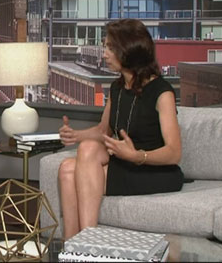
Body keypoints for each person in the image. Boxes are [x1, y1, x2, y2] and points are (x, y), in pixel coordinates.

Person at [58, 19, 184, 240]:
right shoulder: (117, 88)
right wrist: (76, 135)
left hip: (154, 170)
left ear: (129, 50)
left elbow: (174, 152)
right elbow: (102, 131)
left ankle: (88, 244)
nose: (104, 54)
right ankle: (72, 247)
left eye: (110, 48)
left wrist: (136, 156)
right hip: (125, 162)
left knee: (72, 169)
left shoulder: (162, 92)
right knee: (69, 165)